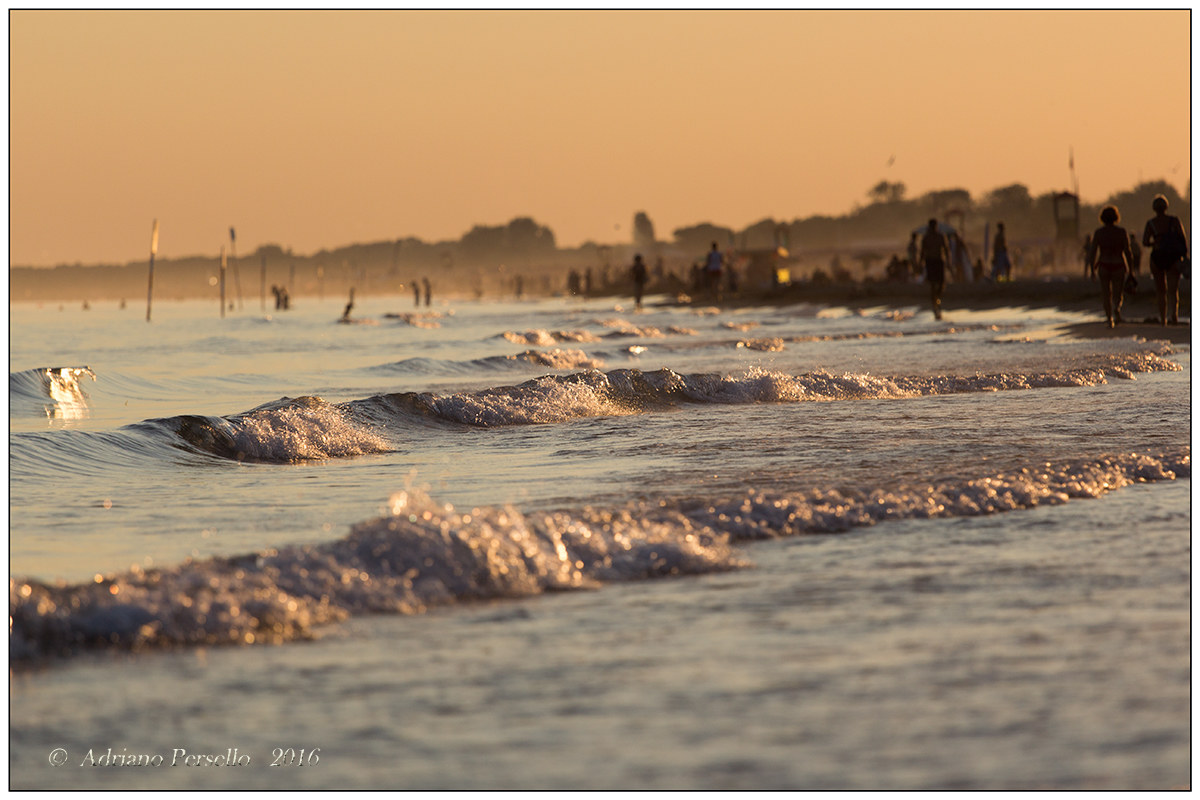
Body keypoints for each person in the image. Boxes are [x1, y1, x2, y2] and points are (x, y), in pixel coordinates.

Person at [1142, 194, 1188, 325]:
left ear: (1154, 208)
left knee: (1160, 289)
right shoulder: (1174, 220)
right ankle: (1174, 315)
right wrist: (1184, 255)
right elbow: (1182, 238)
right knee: (1173, 289)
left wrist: (1156, 242)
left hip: (1157, 257)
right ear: (1166, 207)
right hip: (1173, 257)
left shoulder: (1151, 223)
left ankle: (1163, 318)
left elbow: (1145, 242)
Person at [1086, 205, 1133, 328]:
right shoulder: (1121, 232)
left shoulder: (1099, 233)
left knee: (1106, 293)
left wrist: (1092, 270)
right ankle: (1116, 307)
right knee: (1118, 292)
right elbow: (1128, 252)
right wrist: (1131, 270)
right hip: (1118, 264)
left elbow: (1092, 252)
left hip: (1104, 264)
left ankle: (1109, 318)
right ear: (1116, 217)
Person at [920, 218, 950, 320]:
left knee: (941, 284)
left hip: (938, 261)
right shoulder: (926, 238)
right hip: (930, 262)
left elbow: (946, 249)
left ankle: (937, 300)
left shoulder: (940, 236)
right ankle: (935, 303)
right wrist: (920, 263)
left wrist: (948, 261)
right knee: (933, 284)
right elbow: (922, 251)